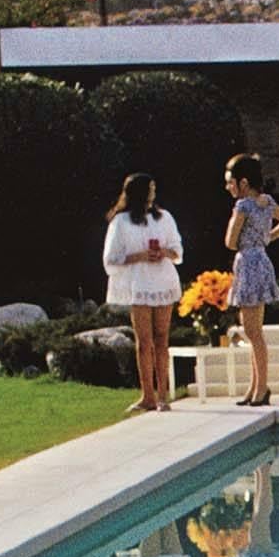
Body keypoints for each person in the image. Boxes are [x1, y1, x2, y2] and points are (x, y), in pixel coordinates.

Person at [102, 173, 187, 412]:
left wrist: (164, 253)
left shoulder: (165, 218)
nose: (153, 192)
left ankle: (163, 396)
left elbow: (178, 250)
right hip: (139, 285)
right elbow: (111, 259)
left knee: (162, 338)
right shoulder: (121, 222)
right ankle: (147, 395)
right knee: (144, 341)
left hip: (162, 281)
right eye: (149, 188)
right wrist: (139, 256)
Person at [220, 151, 279, 407]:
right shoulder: (267, 202)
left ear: (243, 183)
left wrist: (252, 237)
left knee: (253, 332)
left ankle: (261, 388)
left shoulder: (242, 205)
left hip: (248, 263)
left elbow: (230, 242)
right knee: (253, 332)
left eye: (231, 182)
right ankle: (255, 387)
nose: (228, 186)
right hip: (261, 260)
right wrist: (267, 237)